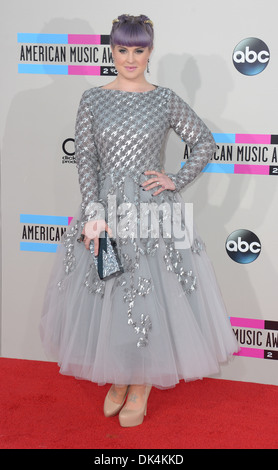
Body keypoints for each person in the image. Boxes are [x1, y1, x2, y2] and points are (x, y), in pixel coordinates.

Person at [40, 14, 239, 428]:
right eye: (122, 49)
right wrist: (93, 213)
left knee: (148, 293)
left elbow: (204, 142)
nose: (130, 58)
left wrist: (175, 180)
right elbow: (87, 160)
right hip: (107, 211)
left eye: (139, 49)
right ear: (111, 50)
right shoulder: (92, 100)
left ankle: (143, 381)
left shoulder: (164, 99)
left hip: (151, 213)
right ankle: (118, 374)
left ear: (150, 51)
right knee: (109, 290)